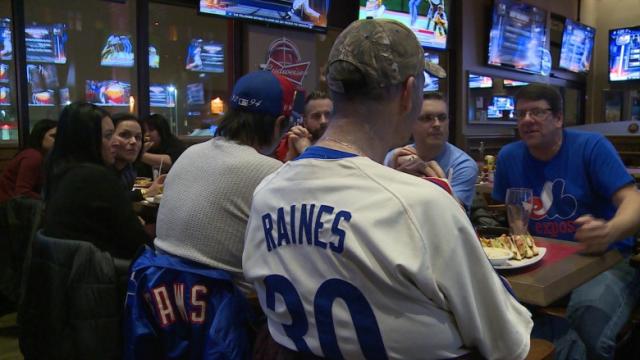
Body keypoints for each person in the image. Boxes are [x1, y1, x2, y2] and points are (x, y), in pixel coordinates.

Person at [242, 18, 532, 359]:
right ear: (409, 93)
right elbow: (509, 343)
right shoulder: (423, 202)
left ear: (334, 90)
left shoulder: (266, 191)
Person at [492, 83, 640, 359]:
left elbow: (634, 201)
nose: (526, 120)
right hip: (545, 263)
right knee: (501, 313)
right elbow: (509, 209)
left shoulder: (591, 147)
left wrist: (610, 231)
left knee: (588, 320)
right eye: (520, 113)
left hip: (606, 258)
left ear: (559, 118)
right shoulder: (509, 156)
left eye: (536, 112)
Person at [153, 70, 294, 296]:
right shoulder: (272, 173)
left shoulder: (190, 153)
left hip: (163, 300)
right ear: (279, 124)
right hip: (227, 312)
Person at [43, 102, 148, 259]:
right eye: (108, 136)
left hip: (70, 273)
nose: (115, 142)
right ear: (86, 140)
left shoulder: (60, 171)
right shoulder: (96, 177)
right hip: (107, 273)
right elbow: (138, 244)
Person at [384, 92, 478, 211]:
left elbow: (456, 214)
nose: (437, 124)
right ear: (411, 122)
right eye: (427, 118)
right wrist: (395, 177)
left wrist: (435, 179)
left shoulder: (463, 165)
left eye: (442, 118)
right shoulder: (394, 157)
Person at [0, 119, 56, 203]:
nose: (58, 140)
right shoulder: (33, 156)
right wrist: (50, 201)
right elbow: (22, 192)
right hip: (7, 208)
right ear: (40, 136)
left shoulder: (43, 157)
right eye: (53, 136)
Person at [111, 112, 164, 201]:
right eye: (124, 135)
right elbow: (113, 199)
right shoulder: (99, 172)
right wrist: (148, 192)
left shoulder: (129, 170)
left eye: (138, 137)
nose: (133, 141)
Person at [274, 90, 333, 162]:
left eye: (328, 115)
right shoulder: (292, 142)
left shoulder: (347, 145)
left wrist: (306, 150)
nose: (323, 121)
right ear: (305, 122)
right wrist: (292, 158)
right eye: (316, 116)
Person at [136, 113, 185, 179]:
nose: (147, 134)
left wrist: (138, 154)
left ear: (161, 130)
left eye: (151, 130)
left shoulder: (174, 143)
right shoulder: (142, 144)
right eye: (144, 131)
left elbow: (169, 162)